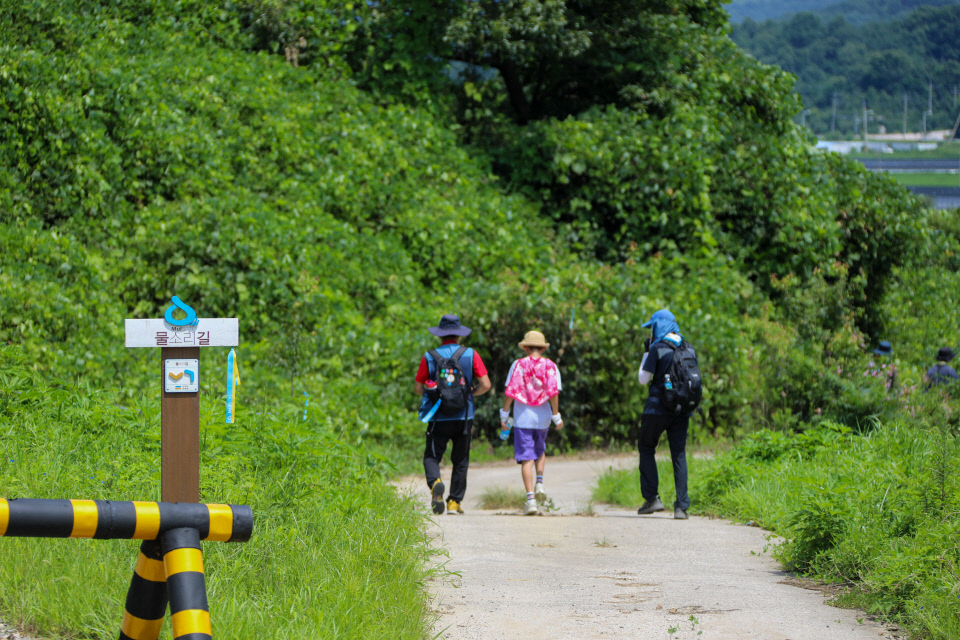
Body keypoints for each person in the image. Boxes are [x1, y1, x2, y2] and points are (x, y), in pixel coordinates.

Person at [415, 314, 491, 515]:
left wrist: (433, 394)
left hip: (438, 416)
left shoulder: (430, 356)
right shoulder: (471, 354)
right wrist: (469, 394)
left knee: (432, 456)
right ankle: (454, 502)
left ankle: (435, 483)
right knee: (461, 459)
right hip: (464, 416)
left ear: (440, 335)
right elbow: (486, 385)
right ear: (458, 335)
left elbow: (417, 387)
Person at [636, 309, 694, 520]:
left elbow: (643, 379)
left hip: (657, 408)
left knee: (646, 446)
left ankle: (652, 499)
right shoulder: (688, 347)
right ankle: (681, 507)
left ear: (657, 326)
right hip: (682, 408)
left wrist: (646, 351)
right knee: (678, 453)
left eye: (652, 327)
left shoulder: (657, 348)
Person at [500, 331, 563, 515]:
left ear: (526, 347)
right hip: (543, 417)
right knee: (540, 450)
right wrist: (556, 415)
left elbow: (510, 392)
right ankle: (540, 483)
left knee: (526, 458)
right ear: (543, 348)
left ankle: (530, 500)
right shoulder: (551, 366)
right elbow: (553, 392)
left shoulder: (518, 364)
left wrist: (504, 416)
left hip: (523, 417)